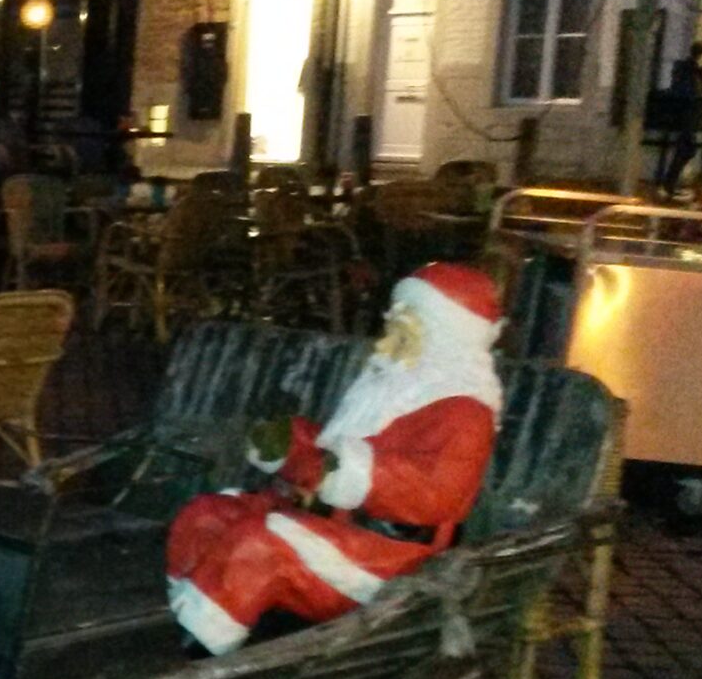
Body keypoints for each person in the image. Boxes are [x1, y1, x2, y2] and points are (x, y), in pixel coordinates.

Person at [166, 263, 503, 656]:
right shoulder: (394, 386)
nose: (383, 347)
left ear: (443, 342)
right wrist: (290, 444)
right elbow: (335, 448)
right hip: (330, 526)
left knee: (260, 544)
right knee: (206, 516)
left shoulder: (464, 414)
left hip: (387, 556)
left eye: (401, 336)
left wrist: (354, 473)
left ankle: (201, 656)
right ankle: (205, 619)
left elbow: (437, 493)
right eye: (389, 331)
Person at [654, 40, 702, 195]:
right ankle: (669, 184)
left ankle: (670, 183)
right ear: (701, 55)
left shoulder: (693, 70)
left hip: (687, 115)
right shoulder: (689, 70)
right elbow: (688, 92)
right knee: (686, 148)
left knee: (686, 148)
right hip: (685, 115)